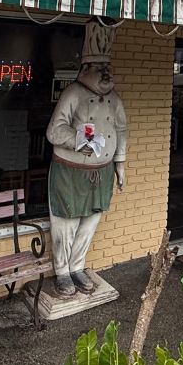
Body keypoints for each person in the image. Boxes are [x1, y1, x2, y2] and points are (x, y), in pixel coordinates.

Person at [45, 19, 127, 296]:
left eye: (108, 68)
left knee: (90, 222)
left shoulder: (114, 98)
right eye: (100, 68)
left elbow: (121, 129)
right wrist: (78, 141)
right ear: (86, 69)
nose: (106, 73)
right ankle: (62, 272)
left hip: (102, 172)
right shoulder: (73, 93)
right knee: (66, 222)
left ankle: (78, 266)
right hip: (71, 172)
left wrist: (120, 163)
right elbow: (54, 130)